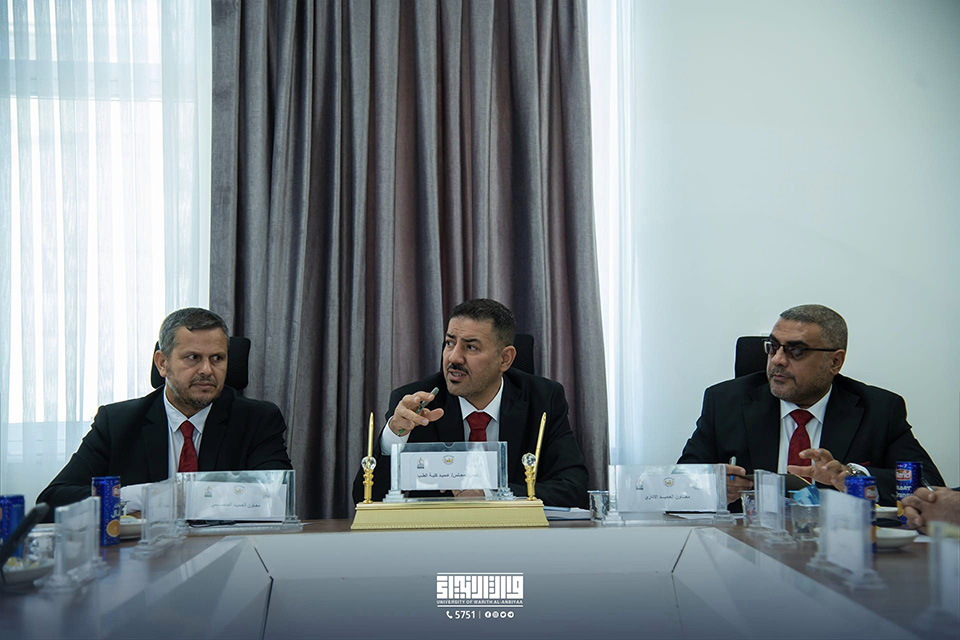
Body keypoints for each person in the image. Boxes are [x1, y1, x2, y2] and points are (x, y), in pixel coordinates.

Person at [679, 304, 943, 506]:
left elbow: (929, 486)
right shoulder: (725, 402)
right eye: (773, 347)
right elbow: (678, 484)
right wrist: (709, 486)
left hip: (838, 548)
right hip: (748, 547)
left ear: (835, 362)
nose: (778, 360)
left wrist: (854, 477)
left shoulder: (880, 409)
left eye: (796, 351)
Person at [38, 308, 292, 512]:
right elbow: (54, 500)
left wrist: (185, 498)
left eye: (217, 358)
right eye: (193, 357)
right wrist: (138, 497)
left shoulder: (257, 420)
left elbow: (276, 496)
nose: (207, 370)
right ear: (162, 363)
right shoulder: (117, 422)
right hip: (142, 555)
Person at [352, 298, 588, 508]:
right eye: (449, 343)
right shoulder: (417, 403)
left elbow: (574, 489)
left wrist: (490, 493)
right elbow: (365, 497)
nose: (454, 357)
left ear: (505, 359)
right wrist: (395, 436)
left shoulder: (543, 399)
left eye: (471, 347)